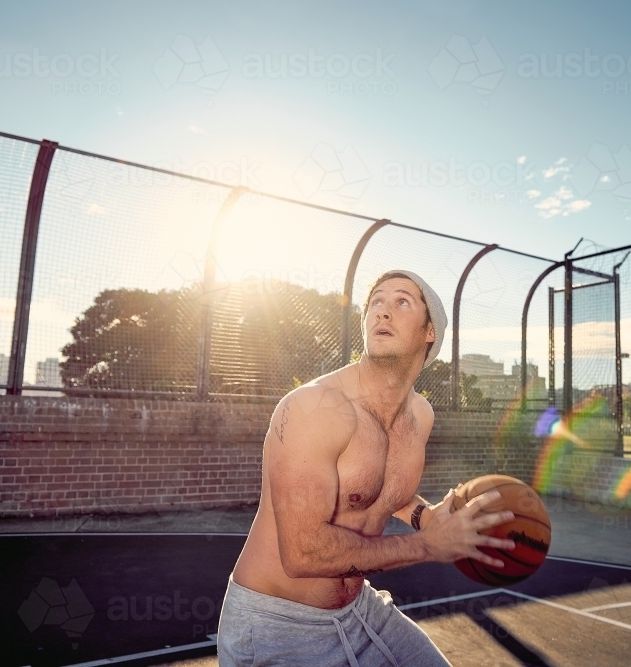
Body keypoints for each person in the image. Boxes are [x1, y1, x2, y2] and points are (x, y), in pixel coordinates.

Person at [217, 270, 516, 667]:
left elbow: (377, 489)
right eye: (376, 301)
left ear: (430, 332)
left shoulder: (420, 416)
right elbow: (303, 554)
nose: (383, 312)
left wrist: (425, 517)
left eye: (402, 301)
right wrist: (428, 546)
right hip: (277, 625)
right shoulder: (315, 408)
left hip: (358, 610)